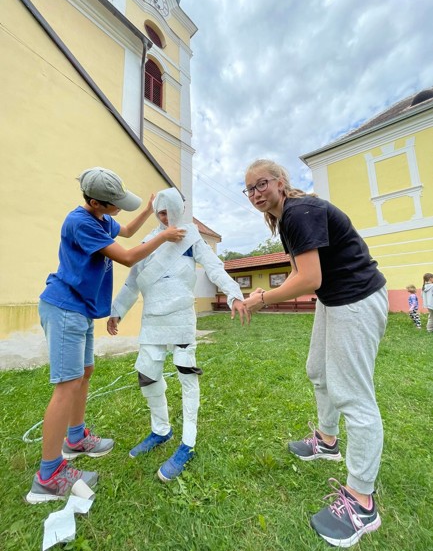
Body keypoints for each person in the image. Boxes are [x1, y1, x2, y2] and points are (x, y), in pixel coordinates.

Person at [243, 159, 388, 548]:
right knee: (318, 370)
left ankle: (362, 502)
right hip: (335, 300)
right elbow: (301, 273)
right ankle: (326, 442)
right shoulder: (286, 220)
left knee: (354, 396)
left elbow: (310, 279)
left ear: (280, 182)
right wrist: (265, 295)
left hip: (355, 299)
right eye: (250, 189)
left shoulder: (298, 212)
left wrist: (261, 299)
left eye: (262, 184)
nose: (256, 193)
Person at [26, 168, 185, 504]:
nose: (120, 210)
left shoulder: (100, 219)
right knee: (67, 383)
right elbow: (127, 256)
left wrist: (146, 210)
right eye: (116, 205)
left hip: (79, 309)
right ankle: (48, 475)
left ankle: (75, 438)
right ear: (95, 202)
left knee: (84, 373)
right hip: (64, 308)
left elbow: (125, 231)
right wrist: (164, 235)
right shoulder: (80, 223)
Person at [107, 188, 249, 481]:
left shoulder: (191, 237)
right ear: (157, 211)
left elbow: (213, 268)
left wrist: (234, 294)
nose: (167, 217)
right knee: (147, 375)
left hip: (181, 318)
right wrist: (117, 310)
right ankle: (161, 429)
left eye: (172, 211)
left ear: (182, 210)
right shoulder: (148, 241)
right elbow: (133, 282)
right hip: (152, 321)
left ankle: (188, 442)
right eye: (162, 212)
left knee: (187, 375)